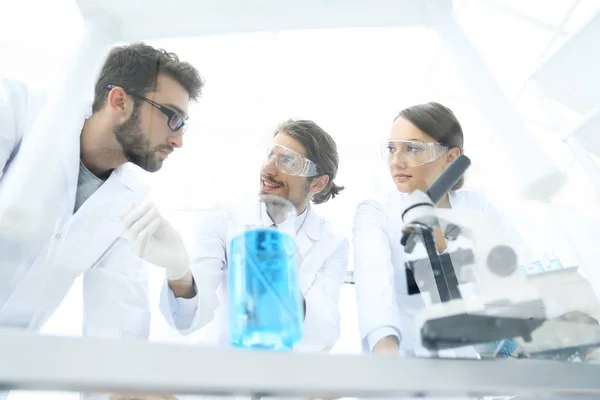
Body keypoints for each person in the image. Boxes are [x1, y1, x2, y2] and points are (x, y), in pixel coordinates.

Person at [0, 42, 204, 342]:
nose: (177, 140)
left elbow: (117, 329)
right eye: (172, 117)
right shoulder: (17, 110)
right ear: (120, 100)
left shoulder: (130, 205)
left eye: (183, 125)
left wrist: (179, 269)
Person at [124, 119, 349, 351]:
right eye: (270, 155)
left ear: (319, 183)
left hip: (284, 377)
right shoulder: (224, 220)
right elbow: (186, 320)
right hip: (224, 375)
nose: (267, 170)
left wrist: (286, 286)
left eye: (288, 161)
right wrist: (178, 270)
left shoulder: (332, 244)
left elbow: (324, 333)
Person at [353, 102, 532, 358]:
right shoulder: (376, 211)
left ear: (451, 158)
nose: (396, 161)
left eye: (413, 148)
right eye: (392, 148)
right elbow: (374, 287)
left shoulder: (477, 207)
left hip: (482, 370)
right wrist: (385, 353)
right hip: (409, 369)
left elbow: (521, 268)